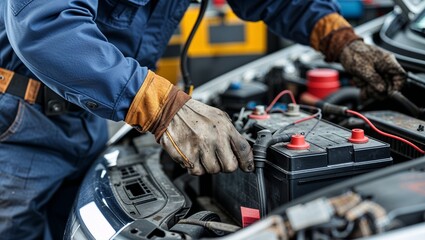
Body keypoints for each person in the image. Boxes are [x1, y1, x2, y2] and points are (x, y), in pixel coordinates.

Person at [0, 0, 405, 239]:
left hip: (85, 117)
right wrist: (163, 108)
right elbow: (46, 25)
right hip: (14, 127)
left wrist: (339, 39)